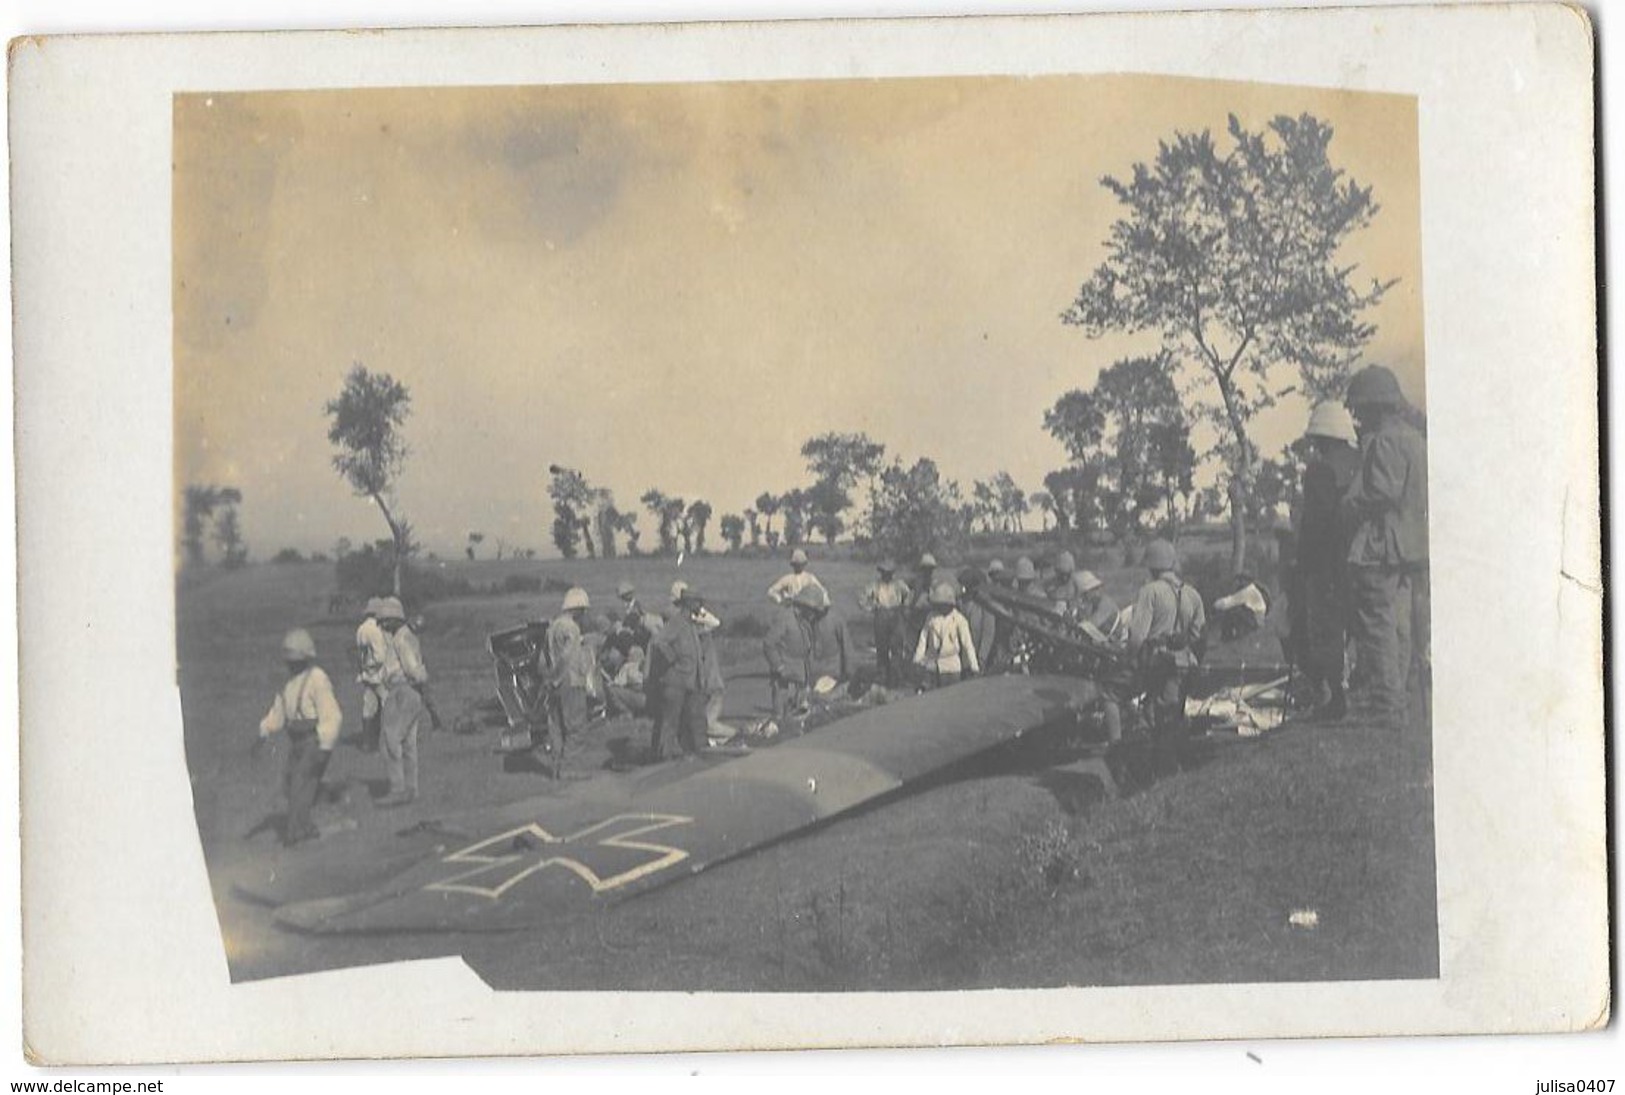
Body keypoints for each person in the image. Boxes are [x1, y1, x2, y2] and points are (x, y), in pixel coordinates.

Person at [1341, 365, 1429, 730]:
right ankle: (1399, 699)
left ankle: (1386, 703)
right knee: (1401, 623)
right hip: (1411, 544)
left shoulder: (1383, 441)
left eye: (1361, 408)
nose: (1358, 415)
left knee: (1377, 622)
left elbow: (1382, 493)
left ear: (1375, 406)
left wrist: (1350, 504)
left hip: (1381, 543)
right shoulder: (1416, 439)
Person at [1290, 401, 1363, 721]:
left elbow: (1316, 523)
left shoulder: (1320, 470)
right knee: (1356, 626)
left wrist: (1303, 563)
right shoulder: (1358, 464)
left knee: (1325, 630)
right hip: (1357, 558)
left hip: (1325, 564)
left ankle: (1335, 698)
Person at [256, 628, 344, 846]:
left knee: (300, 783)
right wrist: (264, 731)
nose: (292, 664)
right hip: (296, 740)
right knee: (291, 782)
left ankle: (297, 832)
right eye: (289, 661)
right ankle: (303, 824)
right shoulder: (288, 686)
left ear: (306, 658)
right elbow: (278, 714)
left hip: (313, 740)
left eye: (296, 660)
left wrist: (325, 746)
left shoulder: (317, 678)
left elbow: (332, 714)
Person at [1126, 539, 1207, 769]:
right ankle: (1181, 766)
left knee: (1161, 721)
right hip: (1186, 662)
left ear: (1152, 566)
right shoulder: (1192, 594)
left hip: (1160, 663)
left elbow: (1137, 634)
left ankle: (1166, 772)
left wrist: (1130, 658)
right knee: (1175, 716)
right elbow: (1199, 632)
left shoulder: (1150, 592)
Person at [763, 583, 851, 720]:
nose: (814, 615)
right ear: (805, 606)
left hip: (801, 672)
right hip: (784, 674)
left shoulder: (804, 620)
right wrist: (778, 666)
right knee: (779, 715)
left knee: (799, 713)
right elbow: (769, 643)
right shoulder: (784, 618)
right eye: (813, 611)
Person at [647, 587, 715, 758]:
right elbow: (659, 642)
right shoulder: (677, 623)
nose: (700, 606)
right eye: (697, 602)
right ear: (689, 604)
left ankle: (691, 752)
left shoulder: (690, 625)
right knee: (671, 721)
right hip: (675, 682)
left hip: (689, 683)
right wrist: (672, 658)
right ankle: (663, 757)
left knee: (690, 720)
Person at [374, 597, 427, 805]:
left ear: (395, 619)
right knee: (408, 743)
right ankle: (411, 790)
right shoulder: (404, 636)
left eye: (386, 620)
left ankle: (398, 789)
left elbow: (413, 668)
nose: (383, 624)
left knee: (390, 740)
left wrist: (414, 679)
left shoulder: (401, 639)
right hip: (410, 691)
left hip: (402, 689)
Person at [542, 587, 597, 779]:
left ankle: (556, 767)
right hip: (571, 680)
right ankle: (571, 768)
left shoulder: (552, 627)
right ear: (578, 608)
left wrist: (551, 678)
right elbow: (569, 656)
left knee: (556, 725)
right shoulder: (572, 628)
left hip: (555, 682)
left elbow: (547, 656)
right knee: (576, 725)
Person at [913, 581, 980, 688]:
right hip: (932, 664)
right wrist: (917, 658)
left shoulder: (959, 619)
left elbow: (967, 644)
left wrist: (974, 667)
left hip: (952, 665)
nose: (941, 607)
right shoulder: (931, 617)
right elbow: (923, 638)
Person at [858, 559, 911, 688]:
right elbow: (862, 599)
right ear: (881, 572)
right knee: (882, 648)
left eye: (889, 572)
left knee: (897, 647)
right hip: (881, 615)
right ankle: (883, 677)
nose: (887, 575)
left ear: (893, 573)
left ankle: (896, 677)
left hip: (896, 614)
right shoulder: (875, 585)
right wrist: (872, 607)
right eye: (884, 572)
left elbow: (909, 595)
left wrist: (904, 607)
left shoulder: (899, 584)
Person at [353, 597, 394, 753]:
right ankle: (387, 743)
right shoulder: (377, 629)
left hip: (366, 674)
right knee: (387, 705)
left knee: (369, 707)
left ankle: (368, 743)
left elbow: (359, 652)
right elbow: (380, 656)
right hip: (379, 673)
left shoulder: (361, 629)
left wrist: (364, 667)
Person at [956, 568, 999, 673]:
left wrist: (982, 658)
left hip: (979, 657)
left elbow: (988, 633)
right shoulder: (960, 602)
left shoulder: (985, 605)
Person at [1068, 570, 1122, 642]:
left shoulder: (1106, 604)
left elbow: (1091, 625)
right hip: (1101, 639)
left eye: (1085, 594)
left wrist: (1076, 624)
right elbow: (1082, 619)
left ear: (1093, 590)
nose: (1084, 597)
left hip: (1114, 643)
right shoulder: (1093, 604)